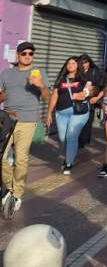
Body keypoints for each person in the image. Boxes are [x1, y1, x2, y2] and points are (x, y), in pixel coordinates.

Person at [0, 42, 49, 212]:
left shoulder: (38, 72)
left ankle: (17, 193)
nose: (28, 56)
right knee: (1, 156)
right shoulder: (6, 73)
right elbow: (2, 95)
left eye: (31, 53)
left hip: (27, 121)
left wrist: (41, 85)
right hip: (7, 119)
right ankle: (10, 186)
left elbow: (47, 97)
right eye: (24, 53)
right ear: (18, 55)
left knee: (21, 159)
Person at [46, 56, 91, 175]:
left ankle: (68, 162)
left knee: (71, 137)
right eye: (68, 63)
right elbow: (55, 95)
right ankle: (70, 156)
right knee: (62, 138)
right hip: (61, 112)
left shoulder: (83, 79)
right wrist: (49, 113)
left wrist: (85, 93)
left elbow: (90, 89)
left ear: (78, 65)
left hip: (78, 112)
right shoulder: (61, 79)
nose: (70, 65)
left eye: (73, 63)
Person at [78, 53, 104, 149]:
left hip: (90, 101)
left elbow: (100, 85)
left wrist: (96, 96)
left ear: (89, 63)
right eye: (82, 63)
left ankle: (83, 141)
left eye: (85, 62)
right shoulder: (77, 72)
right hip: (78, 100)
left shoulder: (95, 72)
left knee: (88, 122)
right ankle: (81, 139)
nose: (84, 65)